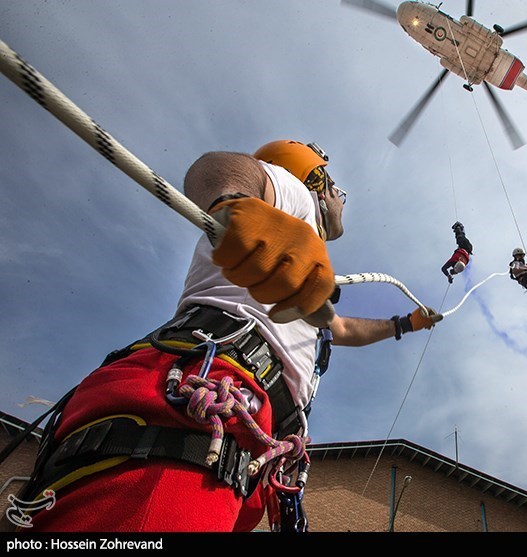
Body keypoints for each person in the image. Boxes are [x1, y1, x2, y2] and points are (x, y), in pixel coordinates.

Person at [20, 140, 442, 533]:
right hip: (203, 402)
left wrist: (405, 324)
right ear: (318, 182)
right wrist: (233, 202)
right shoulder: (292, 197)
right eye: (337, 192)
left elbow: (343, 328)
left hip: (240, 432)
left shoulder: (295, 265)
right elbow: (221, 168)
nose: (340, 202)